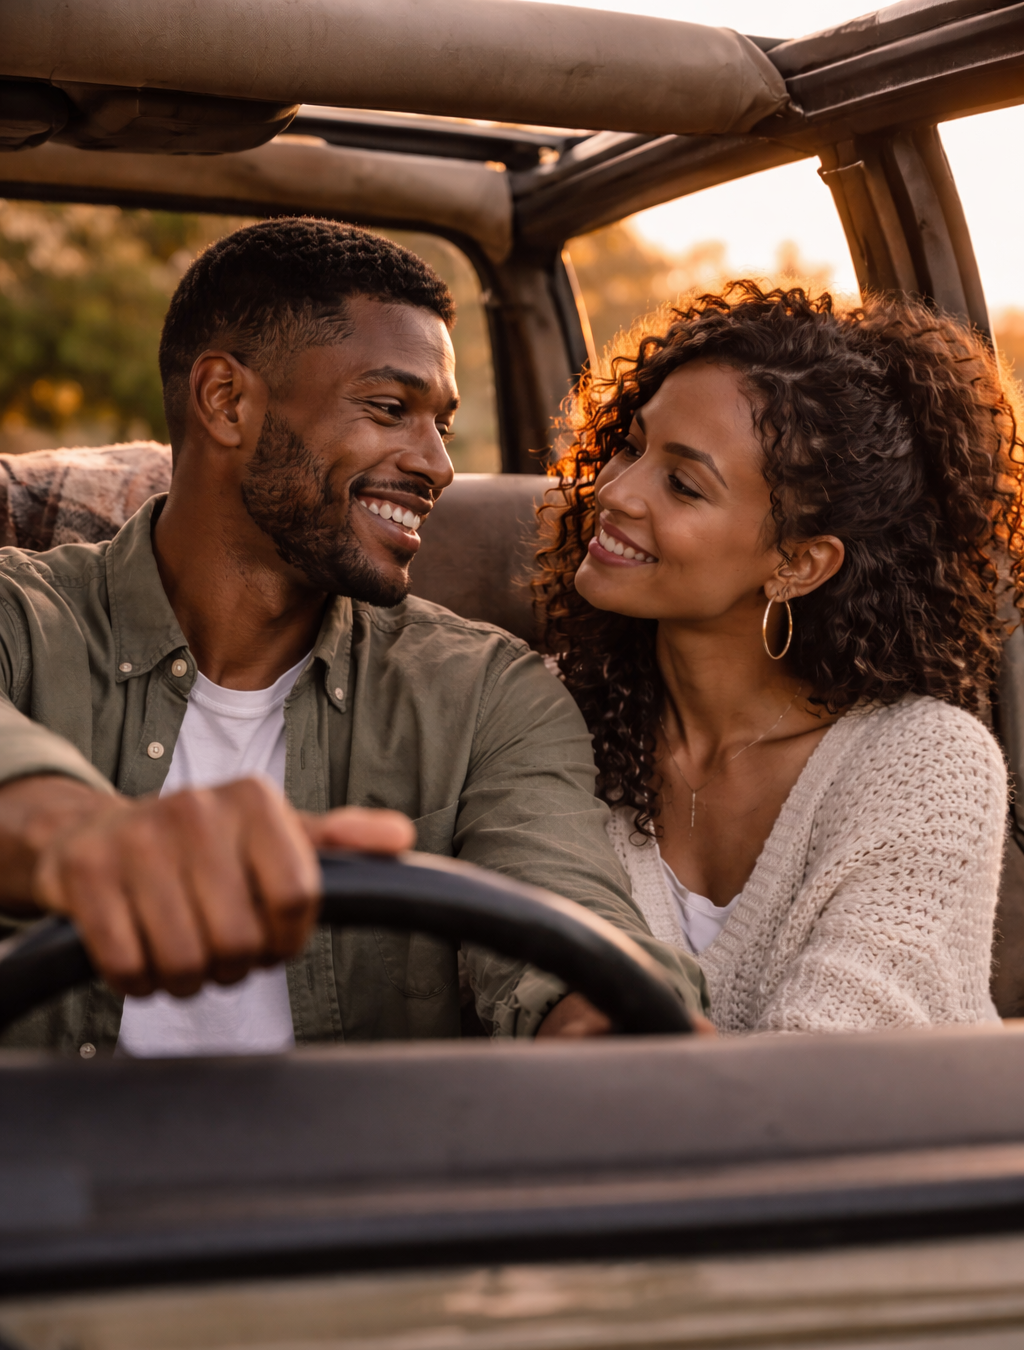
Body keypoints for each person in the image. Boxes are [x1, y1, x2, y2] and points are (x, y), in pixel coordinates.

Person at [0, 217, 706, 1055]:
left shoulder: (487, 694)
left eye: (441, 422)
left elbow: (574, 924)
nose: (438, 464)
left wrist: (616, 1033)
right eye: (390, 408)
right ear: (227, 401)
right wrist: (78, 835)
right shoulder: (22, 616)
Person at [536, 283, 1022, 1032]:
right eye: (632, 445)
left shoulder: (928, 764)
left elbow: (818, 1076)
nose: (615, 490)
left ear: (799, 564)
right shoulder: (545, 715)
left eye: (683, 484)